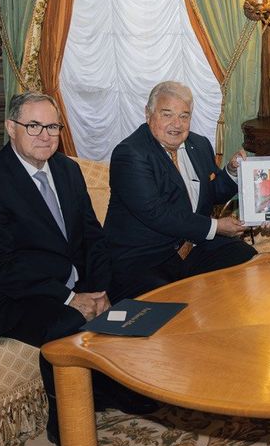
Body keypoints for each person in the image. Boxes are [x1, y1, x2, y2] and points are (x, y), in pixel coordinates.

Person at [0, 92, 153, 446]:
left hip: (76, 283)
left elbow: (93, 237)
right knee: (67, 321)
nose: (45, 135)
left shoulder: (67, 170)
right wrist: (70, 298)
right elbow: (0, 267)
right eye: (33, 126)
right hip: (15, 295)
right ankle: (63, 417)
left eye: (52, 127)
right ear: (11, 128)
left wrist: (99, 290)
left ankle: (113, 387)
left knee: (143, 290)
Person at [105, 81, 256, 301]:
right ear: (148, 114)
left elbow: (213, 193)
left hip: (191, 248)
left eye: (184, 116)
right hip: (145, 259)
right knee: (172, 307)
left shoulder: (199, 144)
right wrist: (217, 226)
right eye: (167, 114)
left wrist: (232, 171)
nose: (177, 124)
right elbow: (157, 214)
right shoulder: (130, 153)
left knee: (247, 259)